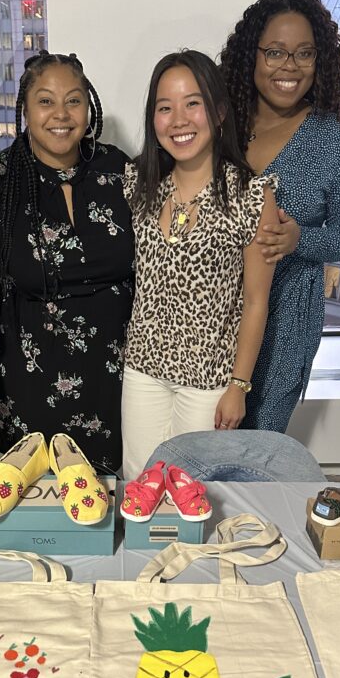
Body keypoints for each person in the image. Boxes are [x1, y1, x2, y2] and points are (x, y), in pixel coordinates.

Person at [121, 50, 279, 480]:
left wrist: (239, 387)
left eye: (193, 103)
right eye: (164, 107)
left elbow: (255, 301)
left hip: (209, 379)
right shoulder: (137, 184)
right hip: (143, 369)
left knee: (192, 492)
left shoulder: (251, 194)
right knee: (139, 483)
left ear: (219, 111)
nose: (178, 120)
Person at [219, 0, 340, 433]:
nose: (290, 66)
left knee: (253, 450)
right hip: (208, 312)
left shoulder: (337, 137)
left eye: (305, 53)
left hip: (284, 323)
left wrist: (299, 240)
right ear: (252, 55)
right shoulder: (221, 121)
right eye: (275, 52)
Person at [0, 51, 134, 475]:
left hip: (114, 377)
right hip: (30, 378)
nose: (61, 114)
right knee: (39, 501)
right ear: (25, 110)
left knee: (106, 502)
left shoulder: (119, 170)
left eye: (74, 100)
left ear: (88, 108)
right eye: (46, 101)